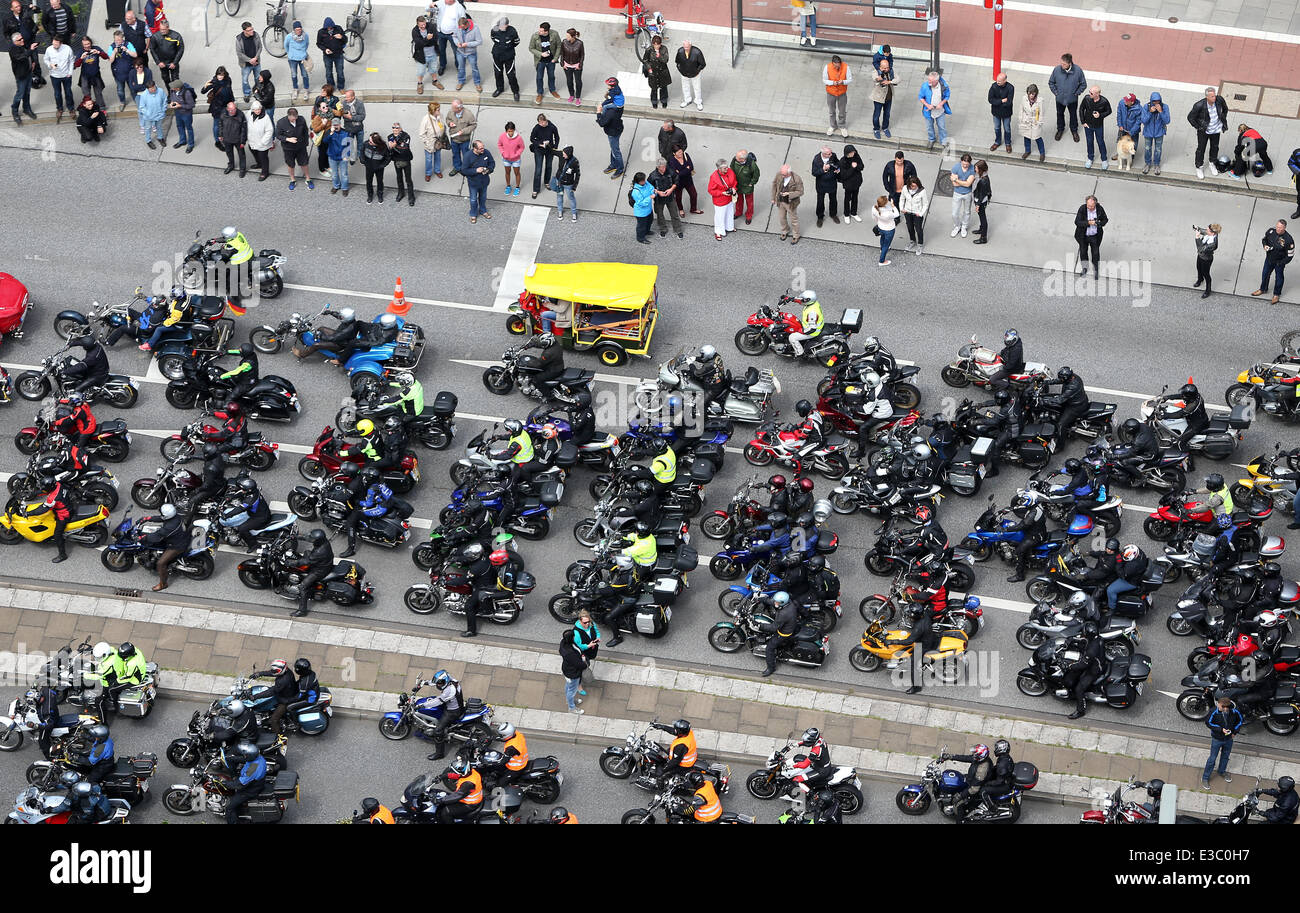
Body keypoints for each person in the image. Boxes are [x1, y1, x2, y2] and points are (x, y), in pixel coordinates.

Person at [141, 503, 189, 591]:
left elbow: (157, 535)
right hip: (181, 537)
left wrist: (142, 537)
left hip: (177, 545)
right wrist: (148, 518)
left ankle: (163, 584)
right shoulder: (175, 516)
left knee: (160, 563)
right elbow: (162, 518)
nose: (162, 515)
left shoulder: (170, 527)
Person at [1201, 696, 1243, 789]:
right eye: (1222, 706)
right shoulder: (1213, 711)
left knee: (1225, 756)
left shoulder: (1234, 711)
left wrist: (1235, 732)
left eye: (1225, 707)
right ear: (1219, 704)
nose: (1223, 708)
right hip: (1217, 739)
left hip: (1229, 739)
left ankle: (1221, 771)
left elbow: (1240, 721)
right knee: (1212, 759)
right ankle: (1205, 778)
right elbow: (1208, 722)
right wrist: (1220, 729)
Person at [559, 612, 597, 714]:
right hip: (573, 673)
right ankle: (571, 707)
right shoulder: (569, 653)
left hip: (567, 670)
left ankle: (569, 701)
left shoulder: (564, 644)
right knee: (572, 690)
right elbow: (579, 664)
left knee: (568, 687)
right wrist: (584, 663)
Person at [896, 603, 938, 693]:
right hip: (931, 637)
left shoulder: (919, 627)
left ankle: (916, 687)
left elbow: (909, 641)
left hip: (924, 645)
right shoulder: (925, 614)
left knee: (913, 665)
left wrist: (894, 641)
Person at [1188, 86, 1229, 180]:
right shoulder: (1199, 105)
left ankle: (1212, 163)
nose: (1214, 98)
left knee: (1215, 147)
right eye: (1212, 97)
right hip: (1204, 131)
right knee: (1201, 149)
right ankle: (1199, 167)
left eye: (1214, 96)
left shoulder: (1219, 100)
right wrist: (1199, 127)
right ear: (1207, 97)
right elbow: (1190, 117)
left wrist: (1222, 119)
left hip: (1216, 130)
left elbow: (1225, 109)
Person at [291, 529, 333, 617]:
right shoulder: (324, 542)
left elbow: (308, 561)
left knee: (303, 587)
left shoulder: (319, 551)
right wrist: (295, 537)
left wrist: (292, 563)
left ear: (318, 541)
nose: (311, 540)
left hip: (319, 571)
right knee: (306, 552)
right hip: (325, 563)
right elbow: (308, 538)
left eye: (313, 539)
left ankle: (302, 611)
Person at [222, 740, 267, 824]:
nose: (244, 756)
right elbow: (246, 759)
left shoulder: (252, 769)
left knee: (229, 808)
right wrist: (231, 758)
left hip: (250, 790)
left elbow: (240, 784)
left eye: (245, 755)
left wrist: (224, 783)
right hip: (255, 782)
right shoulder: (258, 757)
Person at [1252, 219, 1294, 305]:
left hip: (1279, 262)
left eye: (1280, 228)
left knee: (1279, 278)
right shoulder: (1271, 231)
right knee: (1265, 274)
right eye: (1277, 227)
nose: (1278, 229)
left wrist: (1281, 263)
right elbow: (1264, 240)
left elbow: (1290, 255)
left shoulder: (1289, 240)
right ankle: (1263, 289)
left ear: (1284, 228)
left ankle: (1276, 294)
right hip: (1269, 259)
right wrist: (1265, 246)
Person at [1047, 52, 1085, 142]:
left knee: (1073, 115)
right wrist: (1056, 93)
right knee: (1059, 114)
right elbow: (1051, 82)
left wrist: (1076, 93)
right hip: (1060, 99)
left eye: (1064, 64)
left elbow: (1083, 84)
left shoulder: (1078, 71)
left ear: (1069, 63)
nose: (1062, 65)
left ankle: (1074, 131)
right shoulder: (1057, 70)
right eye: (1061, 63)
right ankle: (1060, 129)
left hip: (1072, 100)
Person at [41, 475, 75, 564]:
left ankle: (62, 555)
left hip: (64, 515)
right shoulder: (58, 485)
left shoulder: (53, 498)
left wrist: (29, 513)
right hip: (68, 504)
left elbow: (43, 509)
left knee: (57, 535)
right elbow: (43, 491)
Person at [275, 107, 313, 189]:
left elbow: (305, 131)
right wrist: (288, 139)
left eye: (296, 117)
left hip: (301, 147)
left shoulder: (301, 119)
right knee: (291, 164)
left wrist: (306, 143)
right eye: (293, 118)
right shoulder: (281, 123)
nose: (295, 119)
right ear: (288, 116)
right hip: (288, 149)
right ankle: (292, 180)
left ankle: (308, 178)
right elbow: (278, 135)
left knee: (304, 163)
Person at [43, 34, 75, 122]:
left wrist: (70, 72)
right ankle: (59, 109)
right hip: (54, 76)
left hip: (66, 75)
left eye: (56, 44)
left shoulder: (67, 49)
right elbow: (45, 59)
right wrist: (50, 65)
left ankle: (71, 108)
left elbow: (72, 60)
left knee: (68, 92)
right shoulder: (49, 49)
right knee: (57, 93)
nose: (54, 46)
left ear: (61, 43)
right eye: (53, 44)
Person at [597, 78, 625, 179]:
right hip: (617, 128)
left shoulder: (611, 112)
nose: (607, 86)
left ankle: (620, 168)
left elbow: (602, 123)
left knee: (616, 151)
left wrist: (599, 112)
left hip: (613, 132)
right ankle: (613, 165)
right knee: (613, 149)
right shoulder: (617, 106)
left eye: (608, 85)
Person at [1073, 195, 1107, 278]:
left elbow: (1105, 220)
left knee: (1095, 253)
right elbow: (1077, 222)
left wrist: (1099, 223)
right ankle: (1085, 268)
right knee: (1083, 252)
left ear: (1095, 204)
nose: (1089, 207)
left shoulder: (1099, 209)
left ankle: (1096, 269)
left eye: (1091, 206)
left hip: (1095, 236)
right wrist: (1088, 223)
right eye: (1088, 205)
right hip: (1083, 236)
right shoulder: (1082, 209)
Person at [917, 69, 950, 150]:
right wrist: (927, 105)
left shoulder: (944, 87)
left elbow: (947, 96)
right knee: (929, 127)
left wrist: (941, 104)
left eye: (931, 81)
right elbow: (921, 97)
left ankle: (943, 141)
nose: (929, 82)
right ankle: (931, 139)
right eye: (928, 80)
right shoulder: (925, 86)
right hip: (928, 111)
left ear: (937, 81)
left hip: (940, 110)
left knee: (942, 126)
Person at [1079, 85, 1110, 169]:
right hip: (1088, 125)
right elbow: (1081, 109)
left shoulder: (1104, 101)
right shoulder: (1087, 98)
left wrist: (1100, 115)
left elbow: (1109, 111)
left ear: (1097, 94)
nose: (1090, 94)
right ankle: (1090, 158)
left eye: (1091, 93)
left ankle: (1104, 159)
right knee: (1089, 141)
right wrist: (1083, 122)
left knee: (1100, 141)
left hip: (1098, 125)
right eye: (1090, 92)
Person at [528, 111, 558, 197]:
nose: (541, 124)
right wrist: (539, 144)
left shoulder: (552, 127)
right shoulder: (536, 128)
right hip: (539, 150)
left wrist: (555, 146)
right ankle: (535, 189)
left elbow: (557, 137)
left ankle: (546, 182)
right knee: (538, 169)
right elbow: (532, 138)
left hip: (549, 149)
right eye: (539, 122)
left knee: (549, 166)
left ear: (546, 120)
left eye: (542, 122)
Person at [772, 163, 803, 244]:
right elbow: (774, 185)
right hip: (780, 201)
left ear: (789, 173)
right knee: (782, 218)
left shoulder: (796, 179)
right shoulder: (779, 174)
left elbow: (800, 192)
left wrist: (789, 194)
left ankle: (796, 235)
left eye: (784, 175)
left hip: (791, 203)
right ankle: (785, 230)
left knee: (794, 220)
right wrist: (773, 198)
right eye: (781, 174)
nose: (782, 176)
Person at [465, 138, 495, 223]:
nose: (483, 149)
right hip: (473, 183)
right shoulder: (468, 156)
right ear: (475, 149)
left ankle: (483, 210)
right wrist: (475, 170)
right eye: (481, 148)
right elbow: (464, 170)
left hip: (484, 181)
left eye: (483, 147)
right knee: (473, 199)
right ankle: (473, 214)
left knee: (483, 197)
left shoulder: (486, 152)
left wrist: (489, 170)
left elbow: (492, 163)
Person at [490, 16, 520, 100]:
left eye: (502, 26)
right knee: (498, 73)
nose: (500, 27)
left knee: (511, 75)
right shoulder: (494, 29)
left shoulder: (512, 31)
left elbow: (516, 42)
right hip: (497, 55)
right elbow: (492, 38)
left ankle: (515, 91)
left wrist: (508, 48)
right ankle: (499, 89)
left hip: (509, 56)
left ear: (507, 25)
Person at [385, 120, 415, 206]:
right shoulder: (390, 137)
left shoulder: (406, 136)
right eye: (393, 127)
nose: (395, 129)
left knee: (408, 179)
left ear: (400, 128)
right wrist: (392, 147)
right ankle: (401, 193)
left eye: (397, 128)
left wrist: (394, 146)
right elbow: (390, 148)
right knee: (399, 178)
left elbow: (404, 148)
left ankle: (411, 197)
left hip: (406, 159)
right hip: (397, 160)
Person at [529, 21, 559, 104]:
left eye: (542, 31)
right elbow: (531, 48)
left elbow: (559, 46)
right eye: (539, 30)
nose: (539, 32)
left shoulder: (554, 34)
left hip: (551, 60)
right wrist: (541, 54)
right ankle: (540, 93)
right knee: (539, 78)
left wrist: (555, 58)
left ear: (547, 31)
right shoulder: (535, 36)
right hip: (540, 61)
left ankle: (552, 90)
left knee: (551, 76)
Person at [74, 37, 108, 109]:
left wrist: (99, 53)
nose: (87, 46)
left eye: (88, 44)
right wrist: (81, 58)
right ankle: (89, 108)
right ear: (82, 45)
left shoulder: (96, 48)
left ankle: (101, 107)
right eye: (85, 44)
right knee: (86, 94)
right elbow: (76, 65)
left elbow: (106, 57)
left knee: (98, 92)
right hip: (85, 76)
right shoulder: (80, 51)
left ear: (91, 43)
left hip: (96, 74)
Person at [708, 159, 738, 241]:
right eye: (724, 168)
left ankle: (729, 227)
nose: (727, 169)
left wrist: (734, 188)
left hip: (729, 198)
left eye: (727, 167)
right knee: (719, 216)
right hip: (720, 201)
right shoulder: (714, 177)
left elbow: (735, 181)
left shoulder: (730, 171)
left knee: (729, 213)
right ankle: (718, 231)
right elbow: (711, 190)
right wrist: (722, 193)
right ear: (719, 169)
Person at [1141, 92, 1169, 175]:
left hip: (1159, 132)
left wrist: (1161, 112)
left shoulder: (1165, 107)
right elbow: (1143, 121)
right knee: (1147, 148)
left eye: (1158, 101)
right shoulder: (1146, 107)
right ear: (1151, 101)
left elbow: (1167, 121)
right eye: (1154, 101)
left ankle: (1157, 164)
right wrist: (1150, 112)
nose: (1156, 103)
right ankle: (1147, 163)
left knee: (1158, 149)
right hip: (1148, 132)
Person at [446, 96, 475, 176]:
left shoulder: (468, 114)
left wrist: (464, 131)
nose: (452, 109)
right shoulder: (451, 112)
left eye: (453, 108)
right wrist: (449, 123)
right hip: (454, 138)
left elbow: (473, 125)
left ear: (459, 108)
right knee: (455, 154)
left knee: (466, 154)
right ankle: (457, 167)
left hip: (464, 140)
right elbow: (447, 119)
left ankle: (466, 169)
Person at [822, 54, 850, 138]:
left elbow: (850, 79)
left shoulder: (846, 67)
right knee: (831, 111)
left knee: (842, 111)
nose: (837, 68)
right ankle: (833, 126)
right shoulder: (827, 67)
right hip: (831, 93)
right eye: (835, 66)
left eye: (839, 66)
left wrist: (843, 82)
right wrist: (832, 82)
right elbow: (824, 80)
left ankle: (842, 126)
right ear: (832, 63)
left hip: (842, 93)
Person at [812, 145, 840, 228]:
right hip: (821, 185)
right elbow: (814, 173)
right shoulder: (817, 160)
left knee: (833, 200)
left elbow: (838, 163)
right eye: (829, 154)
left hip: (832, 183)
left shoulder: (833, 155)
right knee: (820, 201)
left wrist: (838, 168)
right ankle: (820, 217)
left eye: (831, 153)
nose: (831, 155)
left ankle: (833, 214)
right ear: (823, 154)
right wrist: (823, 170)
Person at [730, 148, 760, 225]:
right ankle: (738, 212)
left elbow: (756, 175)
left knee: (749, 202)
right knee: (738, 200)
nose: (735, 158)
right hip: (737, 185)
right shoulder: (734, 160)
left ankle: (749, 216)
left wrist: (752, 183)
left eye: (737, 158)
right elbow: (732, 169)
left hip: (747, 186)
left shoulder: (752, 164)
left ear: (742, 159)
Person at [419, 100, 447, 182]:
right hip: (430, 143)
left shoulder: (440, 116)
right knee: (429, 159)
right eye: (438, 109)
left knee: (438, 157)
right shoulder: (425, 119)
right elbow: (421, 134)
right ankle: (428, 173)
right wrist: (427, 143)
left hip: (439, 142)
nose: (439, 111)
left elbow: (442, 125)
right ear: (433, 111)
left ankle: (437, 171)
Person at [165, 77, 195, 152]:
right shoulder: (172, 91)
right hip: (177, 113)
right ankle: (182, 141)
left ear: (178, 88)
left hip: (186, 114)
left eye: (173, 87)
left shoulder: (187, 93)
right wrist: (172, 103)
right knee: (179, 126)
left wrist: (180, 106)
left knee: (189, 129)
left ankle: (190, 144)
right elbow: (172, 98)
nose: (171, 88)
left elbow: (191, 105)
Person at [452, 15, 481, 92]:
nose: (461, 29)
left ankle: (477, 83)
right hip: (460, 51)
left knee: (474, 68)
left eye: (463, 28)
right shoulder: (458, 27)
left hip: (471, 53)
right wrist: (457, 43)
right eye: (460, 28)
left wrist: (467, 44)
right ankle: (461, 81)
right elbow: (454, 36)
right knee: (460, 68)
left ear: (467, 24)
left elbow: (479, 41)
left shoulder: (475, 28)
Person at [641, 33, 670, 109]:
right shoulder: (649, 50)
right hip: (653, 72)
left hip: (662, 71)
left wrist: (659, 56)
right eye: (655, 44)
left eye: (658, 44)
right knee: (654, 88)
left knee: (663, 87)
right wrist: (649, 68)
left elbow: (666, 60)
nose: (657, 46)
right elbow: (645, 60)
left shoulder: (664, 49)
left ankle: (664, 100)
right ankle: (654, 101)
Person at [360, 131, 390, 204]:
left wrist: (382, 165)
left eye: (371, 141)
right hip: (369, 167)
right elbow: (361, 151)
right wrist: (363, 160)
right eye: (369, 140)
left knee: (380, 182)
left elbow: (388, 158)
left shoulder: (383, 147)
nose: (368, 142)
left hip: (379, 168)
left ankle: (380, 195)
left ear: (376, 142)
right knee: (369, 182)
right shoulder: (366, 143)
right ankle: (370, 195)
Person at [676, 38, 706, 111]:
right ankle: (687, 100)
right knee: (685, 87)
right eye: (684, 47)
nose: (686, 48)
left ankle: (698, 101)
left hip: (695, 74)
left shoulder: (697, 52)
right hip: (684, 73)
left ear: (690, 45)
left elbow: (703, 64)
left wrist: (697, 71)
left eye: (687, 47)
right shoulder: (680, 51)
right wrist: (681, 70)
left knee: (697, 88)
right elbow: (677, 62)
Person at [900, 175, 927, 254]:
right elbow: (902, 199)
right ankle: (912, 241)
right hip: (907, 212)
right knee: (910, 227)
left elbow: (925, 204)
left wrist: (921, 213)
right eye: (912, 186)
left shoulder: (922, 191)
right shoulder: (905, 188)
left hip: (917, 213)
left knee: (918, 229)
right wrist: (902, 208)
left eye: (915, 186)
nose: (913, 188)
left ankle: (920, 244)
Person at [950, 152, 975, 238]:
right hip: (957, 193)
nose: (965, 166)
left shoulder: (972, 169)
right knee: (954, 213)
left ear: (970, 163)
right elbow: (954, 185)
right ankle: (957, 226)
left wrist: (957, 180)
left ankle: (964, 226)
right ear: (961, 161)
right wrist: (964, 183)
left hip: (968, 193)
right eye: (963, 164)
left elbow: (968, 184)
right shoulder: (956, 167)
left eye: (967, 165)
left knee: (967, 212)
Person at [870, 58, 896, 139]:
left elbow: (898, 79)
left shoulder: (891, 71)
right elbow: (875, 78)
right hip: (879, 98)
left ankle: (885, 127)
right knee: (876, 115)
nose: (887, 69)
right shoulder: (876, 72)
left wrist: (889, 82)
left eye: (887, 67)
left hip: (888, 98)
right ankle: (876, 129)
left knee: (887, 114)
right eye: (884, 68)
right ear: (880, 68)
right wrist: (879, 78)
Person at [316, 18, 345, 90]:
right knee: (328, 73)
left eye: (331, 27)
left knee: (340, 72)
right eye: (328, 28)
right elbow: (319, 44)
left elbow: (345, 40)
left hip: (338, 55)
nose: (329, 29)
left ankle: (341, 87)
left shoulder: (338, 29)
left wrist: (341, 37)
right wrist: (325, 49)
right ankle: (331, 87)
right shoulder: (321, 32)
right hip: (327, 56)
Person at [552, 145, 579, 222]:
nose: (562, 155)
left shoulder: (574, 162)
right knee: (559, 197)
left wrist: (574, 186)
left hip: (569, 184)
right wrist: (547, 145)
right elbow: (552, 151)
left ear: (569, 154)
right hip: (559, 182)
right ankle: (560, 211)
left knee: (571, 198)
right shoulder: (561, 155)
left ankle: (574, 213)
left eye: (564, 154)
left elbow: (578, 174)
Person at [326, 117, 352, 195]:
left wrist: (347, 155)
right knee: (334, 174)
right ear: (332, 126)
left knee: (344, 174)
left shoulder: (346, 133)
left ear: (340, 125)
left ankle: (345, 188)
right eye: (334, 125)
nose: (336, 126)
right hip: (332, 157)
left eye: (337, 125)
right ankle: (336, 186)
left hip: (342, 158)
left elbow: (349, 145)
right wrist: (330, 134)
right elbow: (325, 141)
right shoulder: (329, 132)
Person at [988, 72, 1014, 152]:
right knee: (997, 127)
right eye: (997, 80)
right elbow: (990, 99)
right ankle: (997, 142)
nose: (997, 82)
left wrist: (997, 103)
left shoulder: (1010, 88)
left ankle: (1008, 143)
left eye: (999, 81)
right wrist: (1002, 101)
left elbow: (1009, 102)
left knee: (1007, 129)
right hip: (996, 113)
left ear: (1005, 80)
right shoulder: (994, 86)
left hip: (1006, 113)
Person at [1019, 83, 1045, 161]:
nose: (1031, 96)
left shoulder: (1040, 101)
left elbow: (1042, 113)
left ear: (1036, 93)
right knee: (1026, 137)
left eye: (1033, 94)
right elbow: (1021, 109)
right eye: (1029, 93)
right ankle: (1027, 151)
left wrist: (1039, 122)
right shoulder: (1024, 98)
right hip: (1026, 121)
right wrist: (1022, 119)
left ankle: (1042, 153)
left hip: (1035, 122)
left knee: (1038, 138)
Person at [497, 119, 524, 196]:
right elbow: (499, 144)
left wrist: (516, 154)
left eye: (511, 131)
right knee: (507, 172)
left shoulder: (518, 138)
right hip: (506, 159)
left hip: (516, 160)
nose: (510, 133)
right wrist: (503, 153)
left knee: (517, 173)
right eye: (509, 131)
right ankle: (508, 186)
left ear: (514, 130)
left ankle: (517, 187)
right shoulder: (502, 136)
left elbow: (522, 147)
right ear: (506, 131)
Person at [1193, 223, 1220, 298]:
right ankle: (1200, 279)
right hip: (1200, 256)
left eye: (1208, 230)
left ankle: (1208, 290)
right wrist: (1197, 228)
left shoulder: (1212, 244)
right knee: (1198, 268)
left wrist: (1197, 238)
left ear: (1212, 233)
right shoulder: (1211, 233)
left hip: (1206, 259)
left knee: (1206, 274)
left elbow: (1201, 249)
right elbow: (1204, 231)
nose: (1206, 230)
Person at [285, 21, 310, 99]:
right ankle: (295, 89)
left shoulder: (305, 36)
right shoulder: (289, 37)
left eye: (300, 29)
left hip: (302, 58)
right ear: (294, 30)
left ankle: (306, 90)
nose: (299, 31)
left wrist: (302, 53)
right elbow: (286, 45)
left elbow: (307, 44)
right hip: (292, 59)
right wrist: (290, 53)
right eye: (297, 30)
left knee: (305, 74)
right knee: (294, 74)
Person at [872, 195, 898, 266]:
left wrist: (878, 222)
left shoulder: (874, 208)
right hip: (889, 229)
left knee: (882, 238)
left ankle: (881, 248)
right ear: (885, 203)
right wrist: (893, 205)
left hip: (881, 227)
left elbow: (874, 218)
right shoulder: (887, 214)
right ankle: (881, 261)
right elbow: (897, 214)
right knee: (886, 245)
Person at [560, 27, 583, 104]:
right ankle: (571, 95)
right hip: (567, 65)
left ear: (573, 36)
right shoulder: (564, 42)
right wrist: (562, 64)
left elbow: (582, 55)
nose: (566, 37)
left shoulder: (580, 43)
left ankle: (578, 97)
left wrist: (580, 65)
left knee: (578, 82)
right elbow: (562, 53)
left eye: (568, 36)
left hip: (576, 66)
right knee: (569, 81)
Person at [631, 171, 655, 244]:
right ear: (638, 181)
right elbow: (641, 203)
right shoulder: (636, 191)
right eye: (642, 181)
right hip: (641, 212)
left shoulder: (646, 183)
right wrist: (650, 197)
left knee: (649, 221)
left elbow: (651, 188)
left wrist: (653, 192)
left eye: (644, 179)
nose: (644, 181)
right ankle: (640, 238)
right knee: (641, 226)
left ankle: (647, 231)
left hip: (648, 209)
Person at [972, 160, 991, 243]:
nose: (974, 169)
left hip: (981, 201)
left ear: (980, 169)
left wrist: (977, 205)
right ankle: (981, 229)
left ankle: (983, 237)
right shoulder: (983, 176)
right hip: (981, 199)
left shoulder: (983, 180)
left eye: (976, 168)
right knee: (981, 216)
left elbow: (981, 195)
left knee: (983, 218)